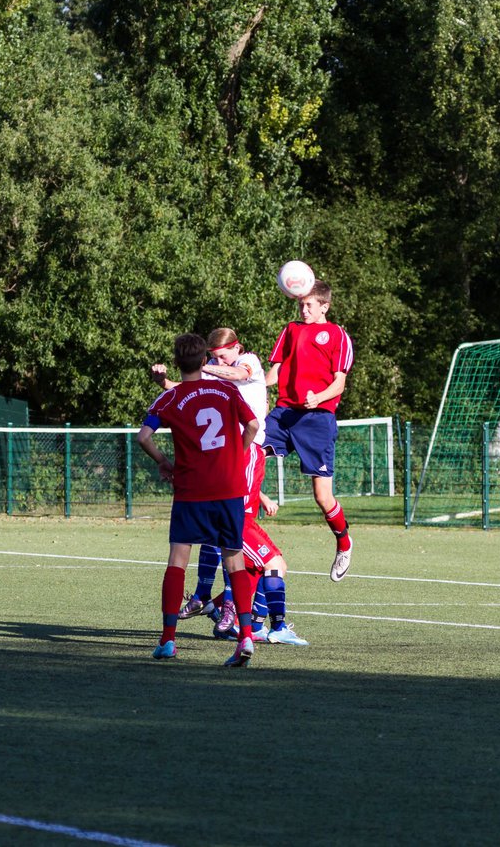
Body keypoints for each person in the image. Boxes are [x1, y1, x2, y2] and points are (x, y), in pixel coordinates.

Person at [151, 329, 309, 645]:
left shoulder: (247, 361)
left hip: (243, 453)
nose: (218, 361)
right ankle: (229, 612)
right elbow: (187, 393)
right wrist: (171, 381)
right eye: (212, 356)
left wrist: (200, 365)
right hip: (230, 459)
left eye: (222, 355)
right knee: (236, 540)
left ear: (236, 348)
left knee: (228, 541)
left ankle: (217, 608)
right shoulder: (216, 383)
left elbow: (238, 373)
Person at [139, 333, 262, 667]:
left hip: (192, 490)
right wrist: (238, 451)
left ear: (179, 362)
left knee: (178, 560)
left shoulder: (171, 398)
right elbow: (252, 424)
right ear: (204, 361)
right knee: (234, 561)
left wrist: (164, 463)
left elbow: (143, 437)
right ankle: (247, 636)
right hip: (228, 488)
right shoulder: (226, 391)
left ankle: (167, 641)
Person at [264, 278, 355, 581]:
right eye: (301, 304)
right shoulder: (291, 330)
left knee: (322, 496)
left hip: (317, 418)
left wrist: (319, 396)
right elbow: (274, 372)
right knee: (243, 454)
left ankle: (343, 543)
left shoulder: (337, 335)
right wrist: (250, 384)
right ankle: (247, 528)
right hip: (284, 413)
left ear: (325, 306)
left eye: (309, 305)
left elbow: (339, 382)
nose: (303, 309)